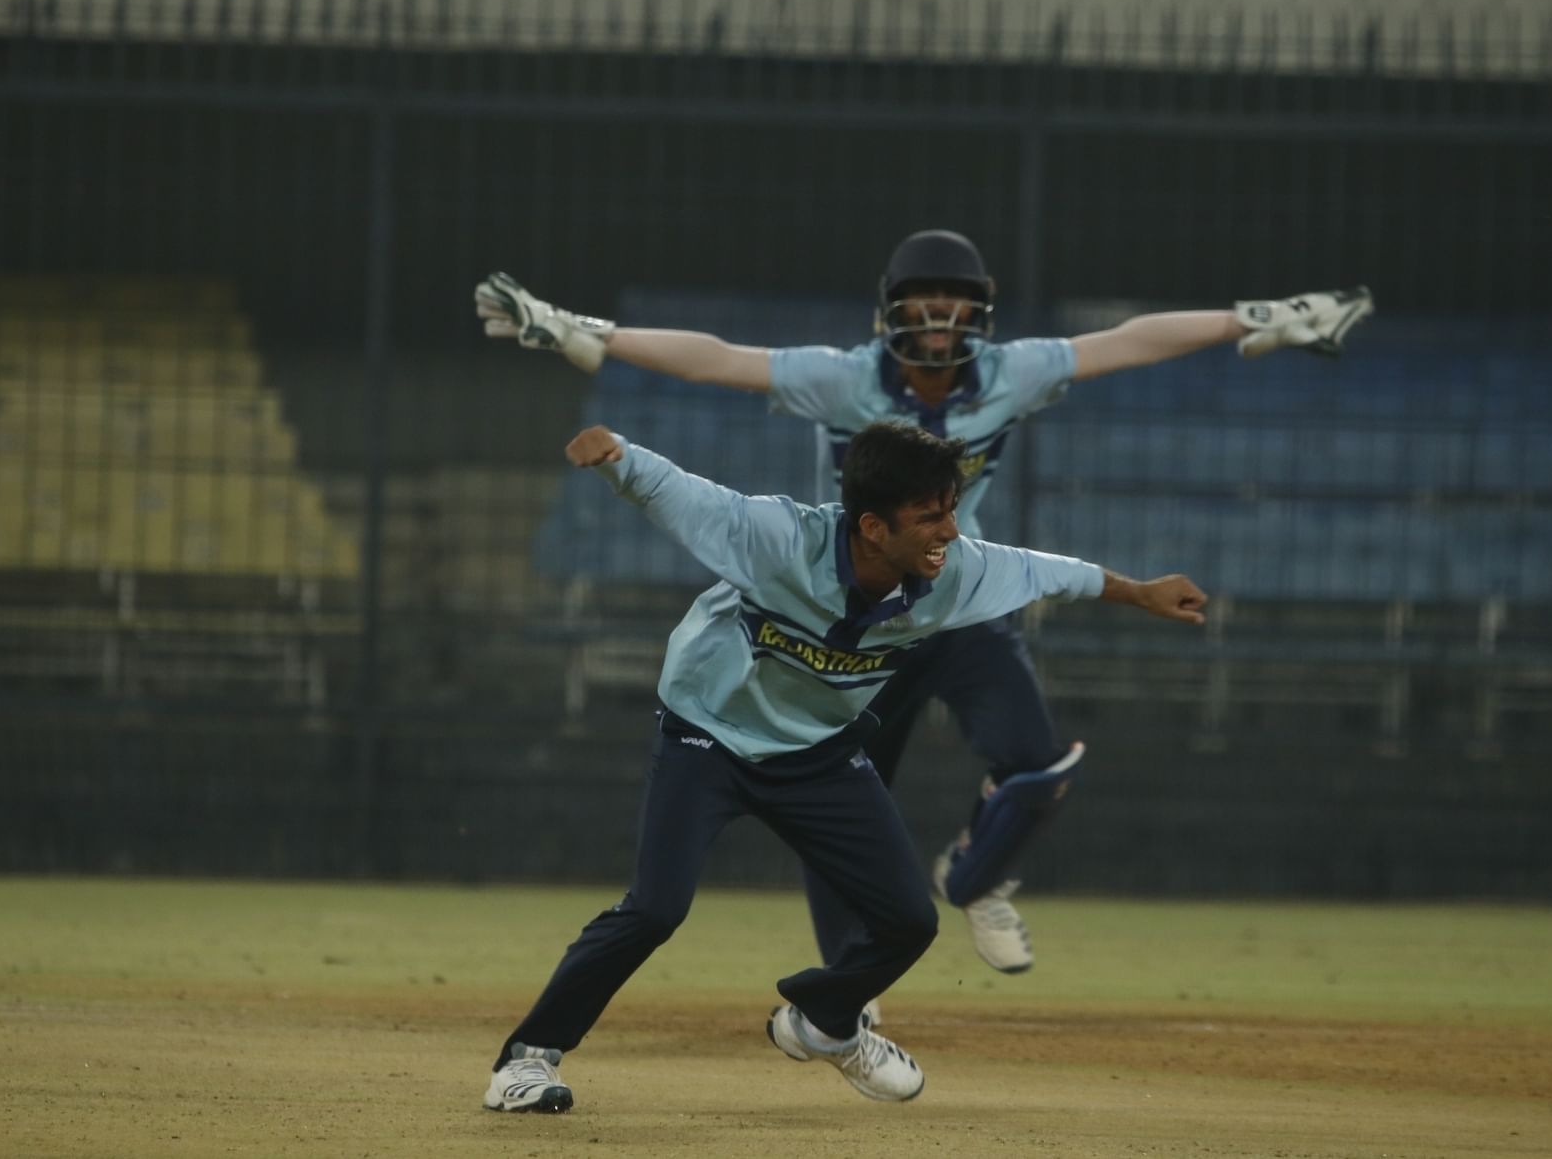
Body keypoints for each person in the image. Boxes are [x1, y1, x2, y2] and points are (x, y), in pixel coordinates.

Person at [474, 233, 1369, 980]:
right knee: (848, 797)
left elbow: (1129, 341)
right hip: (864, 610)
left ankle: (977, 878)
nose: (939, 317)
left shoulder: (1011, 374)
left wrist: (1255, 319)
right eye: (922, 298)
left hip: (958, 599)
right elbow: (720, 360)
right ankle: (848, 991)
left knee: (1039, 762)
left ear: (978, 309)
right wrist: (585, 332)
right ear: (891, 309)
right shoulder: (844, 378)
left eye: (955, 299)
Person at [483, 419, 1207, 1112]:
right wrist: (619, 458)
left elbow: (1049, 573)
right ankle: (526, 1057)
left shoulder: (956, 572)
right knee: (656, 908)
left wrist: (1140, 591)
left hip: (817, 754)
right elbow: (684, 496)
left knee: (909, 921)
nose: (949, 532)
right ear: (870, 526)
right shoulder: (778, 538)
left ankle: (824, 1021)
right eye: (929, 516)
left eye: (950, 510)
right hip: (707, 736)